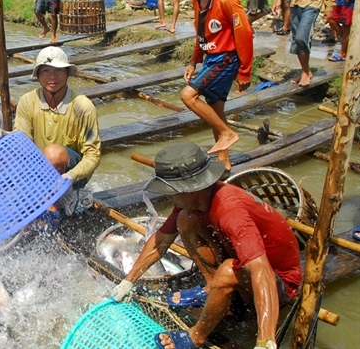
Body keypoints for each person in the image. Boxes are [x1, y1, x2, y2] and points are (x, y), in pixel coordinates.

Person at [110, 142, 302, 349]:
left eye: (170, 191)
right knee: (185, 219)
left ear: (192, 189)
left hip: (278, 281)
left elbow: (261, 271)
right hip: (243, 261)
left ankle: (197, 335)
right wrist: (128, 281)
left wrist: (266, 340)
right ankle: (213, 288)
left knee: (228, 270)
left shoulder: (231, 211)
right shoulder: (192, 202)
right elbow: (161, 242)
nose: (167, 196)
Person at [0, 46, 101, 224]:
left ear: (68, 73)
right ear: (38, 75)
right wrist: (5, 138)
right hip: (39, 171)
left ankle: (53, 206)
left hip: (70, 176)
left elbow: (93, 155)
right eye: (45, 70)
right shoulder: (28, 101)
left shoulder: (83, 106)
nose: (51, 76)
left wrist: (72, 176)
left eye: (58, 70)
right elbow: (21, 142)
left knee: (53, 153)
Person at [178, 0, 253, 171]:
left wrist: (245, 71)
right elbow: (201, 33)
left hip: (227, 58)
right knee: (215, 109)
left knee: (188, 95)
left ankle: (228, 133)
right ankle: (224, 161)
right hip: (211, 57)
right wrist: (194, 61)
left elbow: (245, 34)